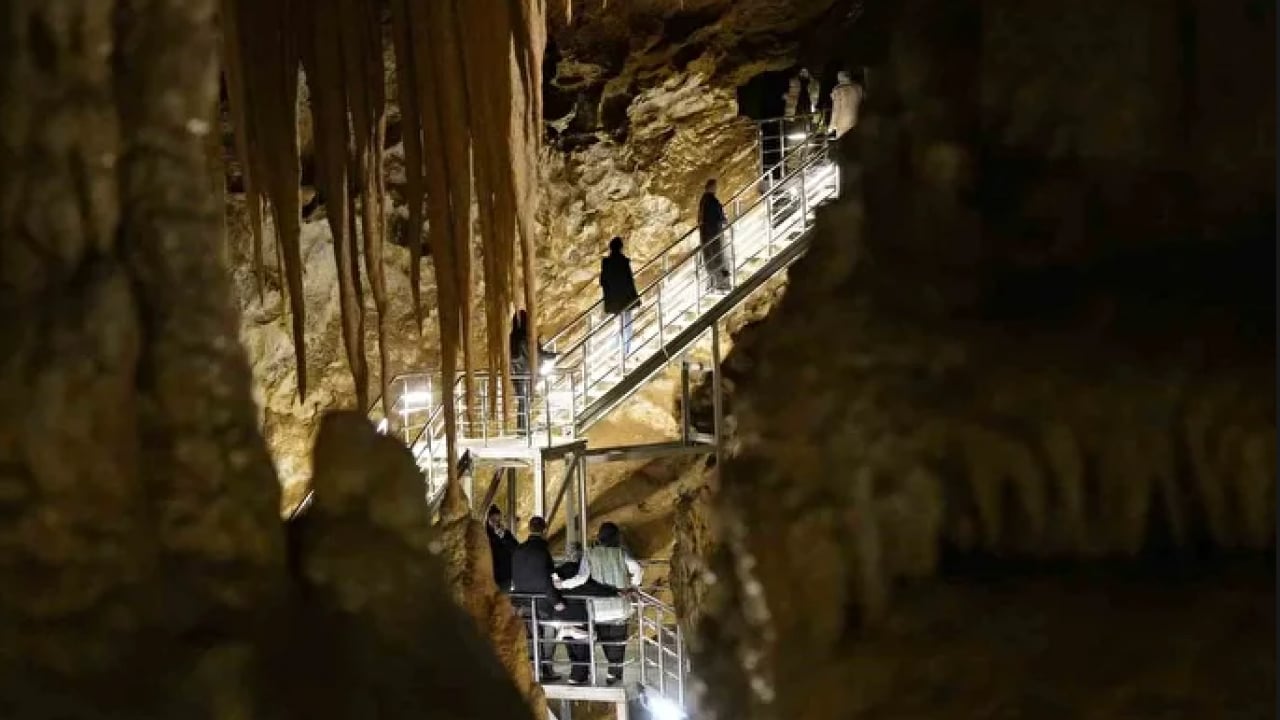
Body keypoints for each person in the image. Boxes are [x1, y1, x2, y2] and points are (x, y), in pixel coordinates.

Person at [558, 522, 644, 685]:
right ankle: (614, 674)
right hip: (620, 607)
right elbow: (637, 569)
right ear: (616, 537)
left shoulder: (590, 554)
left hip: (599, 609)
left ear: (599, 537)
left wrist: (562, 585)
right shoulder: (621, 553)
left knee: (605, 642)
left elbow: (581, 578)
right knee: (618, 645)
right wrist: (633, 585)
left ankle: (605, 672)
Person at [511, 516, 568, 681]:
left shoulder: (518, 550)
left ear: (530, 529)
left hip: (523, 601)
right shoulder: (542, 551)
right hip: (542, 603)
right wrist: (557, 602)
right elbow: (546, 580)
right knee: (548, 635)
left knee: (529, 636)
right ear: (544, 530)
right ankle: (546, 670)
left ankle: (531, 671)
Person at [600, 236, 640, 357]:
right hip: (625, 299)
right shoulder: (624, 262)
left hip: (613, 300)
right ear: (621, 247)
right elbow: (629, 281)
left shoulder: (606, 263)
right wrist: (636, 299)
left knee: (618, 325)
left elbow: (602, 281)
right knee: (627, 325)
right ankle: (625, 351)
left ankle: (614, 350)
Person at [697, 179, 731, 292]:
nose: (716, 189)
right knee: (719, 258)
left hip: (706, 235)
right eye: (715, 187)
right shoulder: (711, 200)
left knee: (710, 258)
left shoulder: (703, 201)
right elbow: (718, 215)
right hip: (714, 234)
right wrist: (724, 219)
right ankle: (722, 284)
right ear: (711, 187)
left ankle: (712, 283)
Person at [486, 505, 518, 592]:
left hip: (505, 575)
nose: (496, 523)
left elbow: (516, 549)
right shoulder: (484, 535)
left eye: (498, 520)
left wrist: (504, 538)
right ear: (488, 520)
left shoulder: (506, 534)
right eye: (493, 520)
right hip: (490, 575)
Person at [828, 69, 864, 139]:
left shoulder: (838, 90)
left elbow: (836, 109)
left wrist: (832, 126)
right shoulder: (858, 88)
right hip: (857, 121)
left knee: (844, 145)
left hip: (843, 123)